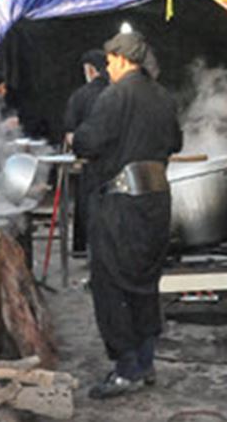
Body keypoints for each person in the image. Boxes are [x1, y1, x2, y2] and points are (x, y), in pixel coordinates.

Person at [72, 30, 182, 400]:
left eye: (109, 61)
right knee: (145, 283)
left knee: (112, 284)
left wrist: (76, 139)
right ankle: (145, 361)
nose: (107, 68)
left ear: (121, 59)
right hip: (156, 202)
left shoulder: (115, 95)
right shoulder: (163, 96)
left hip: (120, 204)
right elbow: (176, 142)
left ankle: (126, 369)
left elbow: (90, 141)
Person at [63, 49, 110, 256]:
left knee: (87, 205)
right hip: (118, 164)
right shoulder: (119, 93)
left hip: (89, 163)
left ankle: (84, 248)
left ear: (91, 70)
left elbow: (70, 135)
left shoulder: (80, 96)